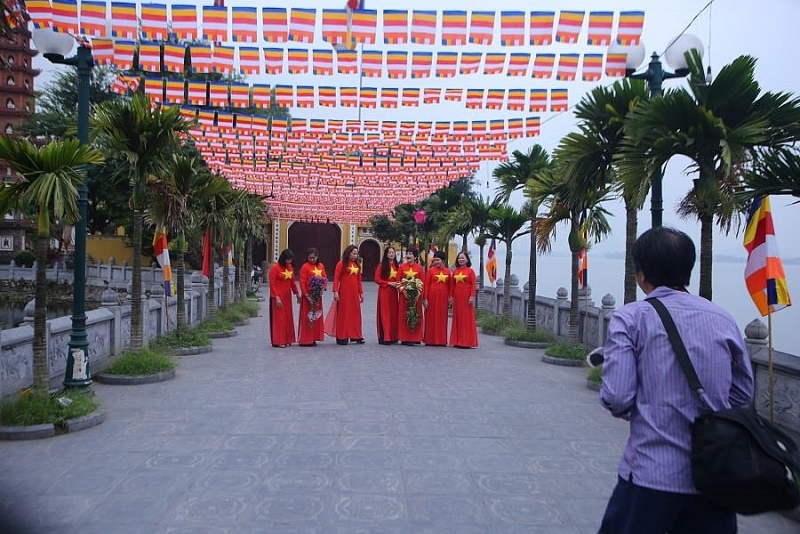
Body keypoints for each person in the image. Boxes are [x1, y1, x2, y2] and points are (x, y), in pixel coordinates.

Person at [598, 227, 754, 534]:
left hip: (650, 475)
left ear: (640, 274)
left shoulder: (631, 318)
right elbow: (742, 393)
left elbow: (617, 396)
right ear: (689, 270)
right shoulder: (723, 318)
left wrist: (647, 409)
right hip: (713, 477)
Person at [332, 244, 364, 345]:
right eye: (353, 253)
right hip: (344, 292)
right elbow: (336, 278)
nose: (355, 256)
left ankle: (356, 335)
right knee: (344, 313)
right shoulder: (341, 263)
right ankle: (342, 336)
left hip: (354, 293)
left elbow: (359, 280)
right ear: (348, 253)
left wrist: (361, 292)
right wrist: (336, 292)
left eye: (356, 254)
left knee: (356, 313)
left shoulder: (357, 265)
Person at [268, 248, 300, 348]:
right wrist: (276, 297)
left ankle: (288, 339)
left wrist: (297, 294)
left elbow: (292, 282)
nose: (289, 262)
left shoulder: (290, 267)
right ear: (283, 258)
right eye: (287, 259)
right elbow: (272, 284)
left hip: (287, 297)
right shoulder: (275, 268)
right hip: (278, 296)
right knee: (279, 319)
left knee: (287, 318)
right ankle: (279, 340)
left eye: (290, 260)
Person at [298, 247, 327, 347]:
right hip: (308, 297)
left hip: (317, 296)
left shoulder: (321, 266)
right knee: (307, 317)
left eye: (313, 258)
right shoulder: (304, 267)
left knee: (315, 317)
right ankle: (306, 339)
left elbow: (325, 278)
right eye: (310, 258)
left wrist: (323, 289)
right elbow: (302, 282)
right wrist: (307, 296)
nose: (312, 260)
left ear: (317, 256)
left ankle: (313, 338)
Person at [449, 251, 478, 349]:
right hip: (457, 298)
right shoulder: (455, 271)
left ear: (467, 260)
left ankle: (466, 342)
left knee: (466, 319)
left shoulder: (470, 271)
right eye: (459, 258)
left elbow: (474, 285)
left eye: (463, 258)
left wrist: (472, 296)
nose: (461, 260)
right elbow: (452, 286)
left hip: (466, 298)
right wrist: (451, 297)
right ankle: (457, 341)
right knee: (457, 318)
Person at [423, 250, 451, 346]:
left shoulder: (447, 272)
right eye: (435, 259)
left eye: (438, 259)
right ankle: (430, 340)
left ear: (443, 260)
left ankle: (441, 340)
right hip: (432, 297)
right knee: (431, 317)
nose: (435, 261)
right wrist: (425, 298)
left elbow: (450, 286)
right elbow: (426, 285)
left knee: (441, 318)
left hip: (443, 298)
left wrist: (450, 297)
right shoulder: (431, 271)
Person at [397, 246, 424, 346]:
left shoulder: (419, 268)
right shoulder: (402, 267)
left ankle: (415, 337)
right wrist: (403, 291)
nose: (408, 255)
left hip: (415, 297)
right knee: (404, 316)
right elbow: (398, 281)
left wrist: (419, 294)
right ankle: (404, 337)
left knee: (415, 315)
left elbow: (422, 282)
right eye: (407, 253)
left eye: (410, 254)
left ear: (415, 257)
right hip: (405, 297)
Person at [374, 246, 400, 345]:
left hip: (394, 293)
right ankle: (386, 336)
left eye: (393, 252)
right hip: (384, 291)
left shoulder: (397, 266)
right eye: (389, 252)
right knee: (385, 313)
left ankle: (394, 336)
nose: (391, 254)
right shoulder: (381, 266)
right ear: (386, 254)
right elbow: (377, 279)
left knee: (393, 314)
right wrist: (388, 283)